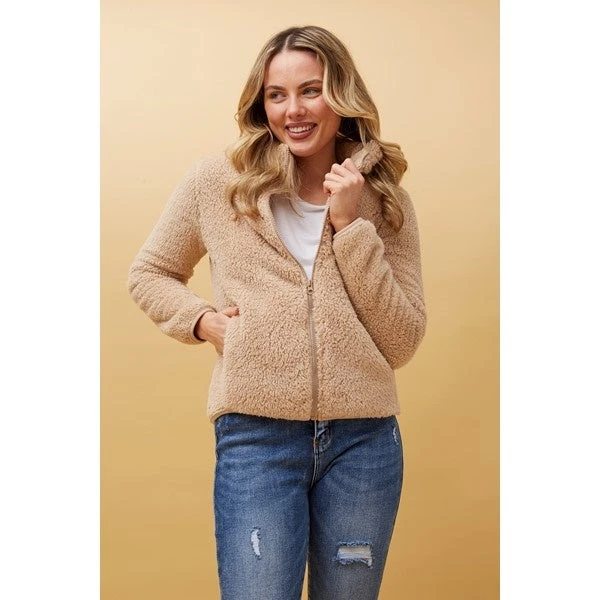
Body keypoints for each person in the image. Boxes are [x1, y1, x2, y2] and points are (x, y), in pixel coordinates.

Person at [128, 24, 426, 600]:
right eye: (277, 95)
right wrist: (205, 323)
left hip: (363, 442)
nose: (294, 110)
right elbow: (150, 272)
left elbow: (402, 340)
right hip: (256, 439)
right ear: (260, 105)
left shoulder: (384, 201)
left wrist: (349, 226)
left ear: (341, 96)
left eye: (311, 90)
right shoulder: (218, 183)